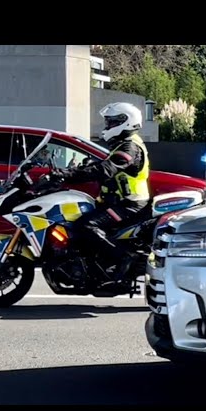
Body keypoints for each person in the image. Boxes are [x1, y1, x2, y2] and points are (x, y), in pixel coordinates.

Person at [50, 102, 151, 281]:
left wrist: (66, 175)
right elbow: (100, 166)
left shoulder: (130, 147)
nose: (108, 126)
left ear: (125, 122)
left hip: (130, 205)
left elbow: (105, 170)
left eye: (111, 122)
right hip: (118, 202)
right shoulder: (121, 145)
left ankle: (124, 257)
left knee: (87, 225)